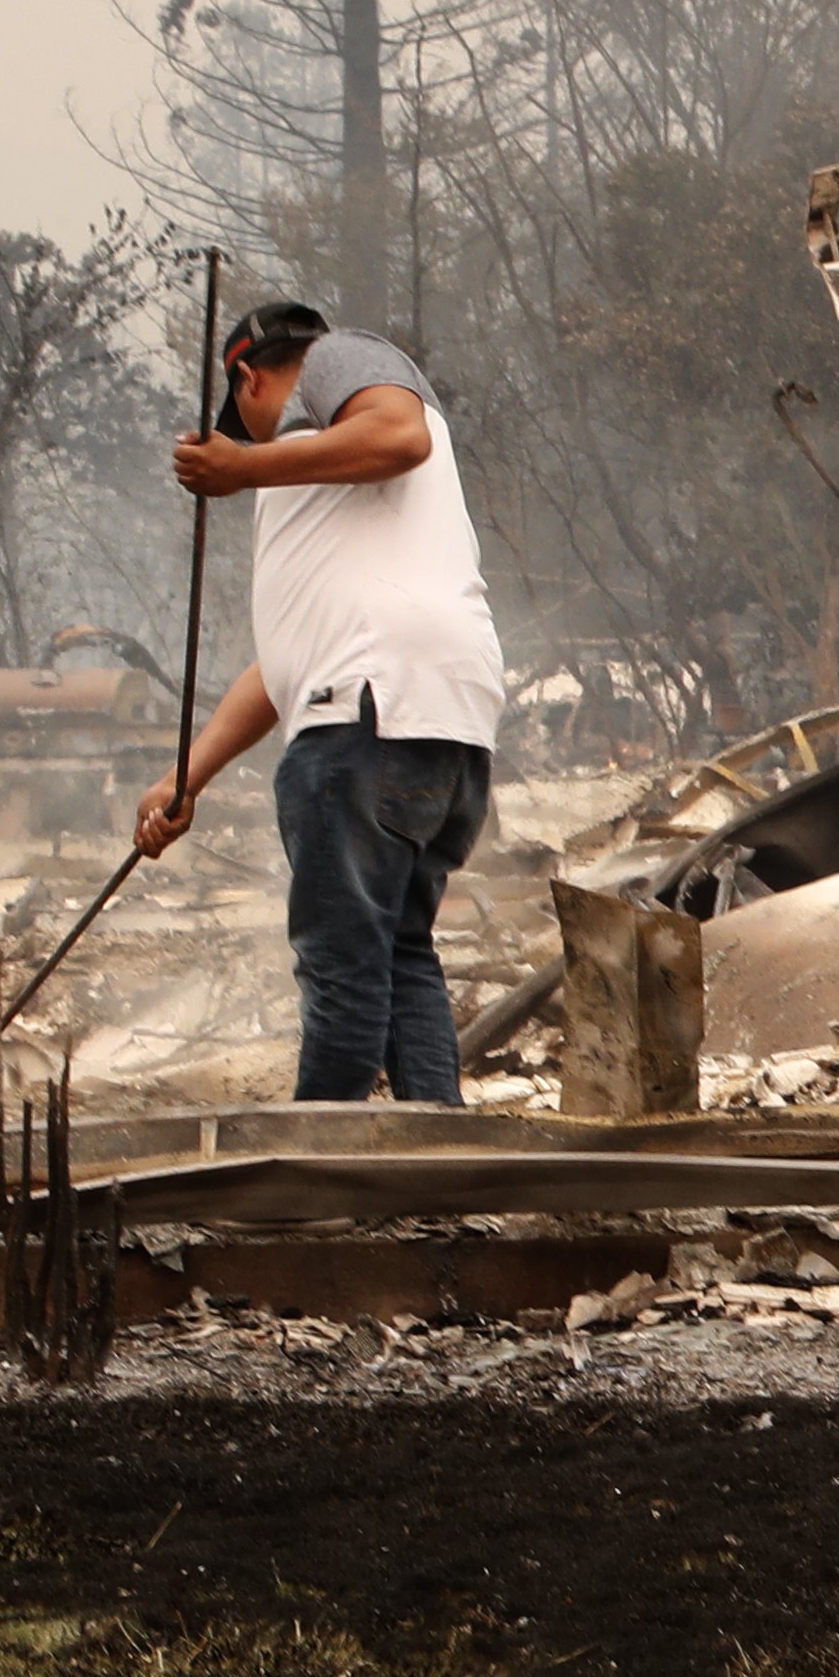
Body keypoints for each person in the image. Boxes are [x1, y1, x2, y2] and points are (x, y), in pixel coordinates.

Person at [130, 299, 507, 1106]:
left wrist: (240, 468)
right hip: (433, 719)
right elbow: (286, 667)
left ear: (250, 378)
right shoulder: (323, 489)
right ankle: (435, 1170)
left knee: (342, 967)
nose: (251, 443)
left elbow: (400, 436)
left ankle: (318, 1185)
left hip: (368, 714)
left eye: (246, 424)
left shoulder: (340, 361)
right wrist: (187, 775)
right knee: (400, 952)